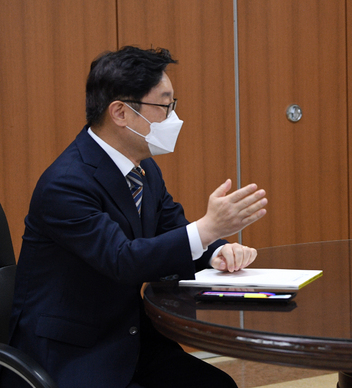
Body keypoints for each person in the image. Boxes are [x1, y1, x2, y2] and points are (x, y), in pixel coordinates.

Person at [0, 46, 267, 388]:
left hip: (127, 338)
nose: (174, 118)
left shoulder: (144, 169)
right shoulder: (65, 184)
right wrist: (207, 228)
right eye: (164, 106)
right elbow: (122, 260)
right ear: (121, 113)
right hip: (72, 352)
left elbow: (172, 225)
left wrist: (217, 250)